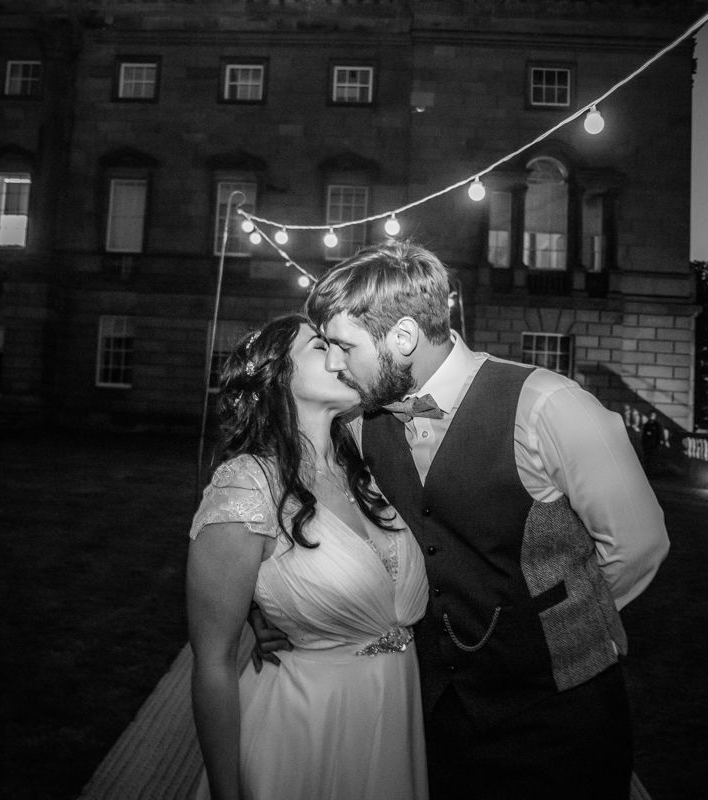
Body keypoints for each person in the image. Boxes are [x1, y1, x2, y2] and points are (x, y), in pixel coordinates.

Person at [300, 240, 670, 800]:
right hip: (432, 713)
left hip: (558, 716)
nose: (332, 363)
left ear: (402, 338)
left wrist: (561, 619)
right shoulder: (359, 426)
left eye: (343, 346)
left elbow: (639, 545)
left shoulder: (549, 405)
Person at [186, 313, 429, 800]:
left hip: (391, 720)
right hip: (303, 733)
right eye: (321, 346)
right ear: (278, 377)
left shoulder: (363, 465)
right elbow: (212, 661)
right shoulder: (245, 486)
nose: (340, 356)